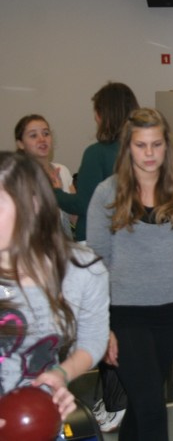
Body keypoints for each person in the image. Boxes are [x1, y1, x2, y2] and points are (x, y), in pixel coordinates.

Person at [87, 108, 173, 441]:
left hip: (169, 312)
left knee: (142, 405)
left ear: (166, 146)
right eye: (140, 145)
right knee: (152, 407)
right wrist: (101, 325)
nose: (149, 153)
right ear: (128, 147)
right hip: (123, 314)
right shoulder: (107, 193)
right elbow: (97, 264)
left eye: (156, 145)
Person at [0, 152, 109, 432]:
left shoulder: (82, 270)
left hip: (39, 419)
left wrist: (62, 373)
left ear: (33, 204)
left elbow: (93, 340)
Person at [54, 81, 138, 432]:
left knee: (102, 328)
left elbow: (81, 203)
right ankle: (113, 400)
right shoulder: (140, 150)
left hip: (100, 249)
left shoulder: (97, 153)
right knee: (121, 325)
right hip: (133, 247)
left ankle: (118, 403)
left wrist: (51, 191)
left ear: (104, 113)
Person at [14, 114, 75, 237]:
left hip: (63, 244)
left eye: (46, 133)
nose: (42, 139)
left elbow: (75, 216)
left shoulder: (62, 171)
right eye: (33, 135)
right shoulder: (17, 177)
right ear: (20, 144)